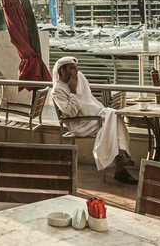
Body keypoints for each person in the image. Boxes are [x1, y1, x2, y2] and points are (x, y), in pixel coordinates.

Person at [51, 56, 139, 184]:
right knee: (113, 118)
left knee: (114, 116)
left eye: (76, 68)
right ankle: (121, 159)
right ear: (62, 70)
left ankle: (120, 159)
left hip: (94, 117)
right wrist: (73, 90)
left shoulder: (79, 77)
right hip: (79, 124)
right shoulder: (57, 90)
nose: (75, 71)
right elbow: (71, 112)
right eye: (71, 68)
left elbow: (89, 100)